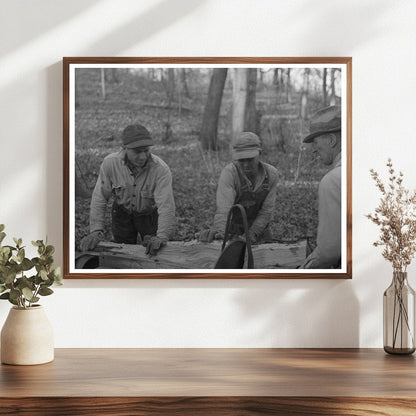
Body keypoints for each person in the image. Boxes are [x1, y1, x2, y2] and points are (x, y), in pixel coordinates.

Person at [80, 124, 176, 255]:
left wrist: (162, 236)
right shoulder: (110, 163)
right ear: (124, 148)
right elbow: (100, 198)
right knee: (122, 251)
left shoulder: (161, 170)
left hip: (149, 215)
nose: (143, 156)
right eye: (137, 152)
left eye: (146, 150)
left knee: (155, 253)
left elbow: (166, 206)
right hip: (122, 214)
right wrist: (96, 230)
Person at [199, 131, 278, 244]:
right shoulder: (230, 173)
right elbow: (224, 208)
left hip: (260, 232)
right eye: (241, 160)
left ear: (260, 153)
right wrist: (221, 232)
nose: (245, 164)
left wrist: (252, 234)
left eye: (250, 159)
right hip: (232, 232)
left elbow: (266, 211)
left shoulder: (271, 174)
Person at [299, 105, 342, 269]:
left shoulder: (333, 181)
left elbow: (328, 253)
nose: (314, 150)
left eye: (316, 142)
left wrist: (302, 271)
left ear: (332, 140)